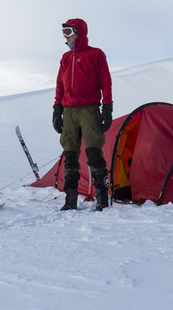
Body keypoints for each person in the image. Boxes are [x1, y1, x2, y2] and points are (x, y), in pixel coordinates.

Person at [52, 18, 113, 211]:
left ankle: (102, 197)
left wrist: (107, 107)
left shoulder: (96, 54)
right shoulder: (65, 58)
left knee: (94, 152)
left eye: (68, 33)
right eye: (64, 34)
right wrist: (57, 109)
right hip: (69, 111)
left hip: (89, 110)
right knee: (70, 154)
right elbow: (60, 85)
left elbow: (106, 82)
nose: (65, 38)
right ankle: (70, 199)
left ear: (79, 33)